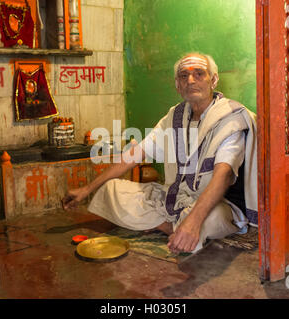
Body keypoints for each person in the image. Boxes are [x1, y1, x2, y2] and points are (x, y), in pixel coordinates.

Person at [62, 53, 258, 253]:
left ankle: (183, 228)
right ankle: (171, 228)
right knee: (110, 190)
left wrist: (193, 220)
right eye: (184, 76)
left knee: (211, 218)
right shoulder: (176, 115)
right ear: (177, 85)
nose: (191, 80)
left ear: (213, 80)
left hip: (218, 204)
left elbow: (223, 176)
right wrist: (87, 189)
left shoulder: (230, 117)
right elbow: (136, 154)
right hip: (177, 197)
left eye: (199, 74)